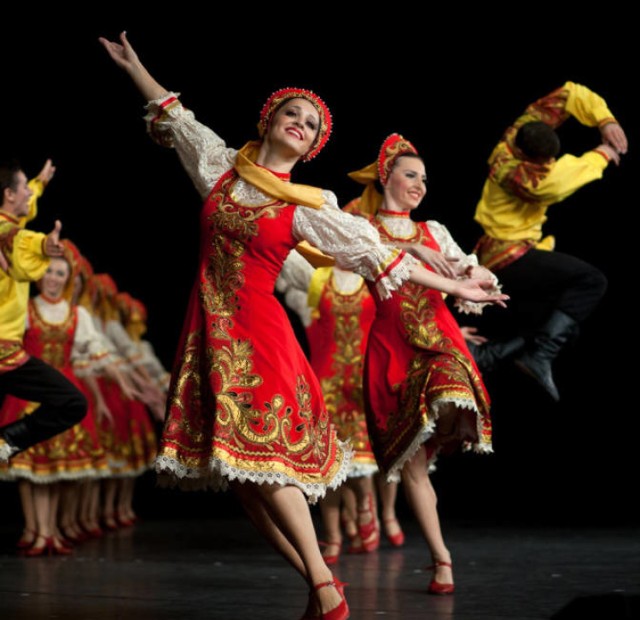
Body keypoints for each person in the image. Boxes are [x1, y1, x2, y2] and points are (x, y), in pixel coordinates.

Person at [99, 32, 506, 620]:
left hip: (258, 334)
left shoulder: (308, 206)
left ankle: (323, 584)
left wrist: (460, 286)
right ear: (268, 120)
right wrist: (135, 66)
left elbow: (381, 257)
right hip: (209, 333)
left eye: (312, 125)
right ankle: (321, 587)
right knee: (241, 480)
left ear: (314, 146)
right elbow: (177, 118)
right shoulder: (222, 169)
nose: (301, 124)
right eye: (293, 113)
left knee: (264, 458)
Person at [346, 133, 500, 595]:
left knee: (450, 383)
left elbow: (468, 269)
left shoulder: (435, 229)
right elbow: (373, 260)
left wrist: (477, 275)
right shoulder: (362, 229)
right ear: (386, 176)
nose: (420, 185)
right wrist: (413, 250)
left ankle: (448, 427)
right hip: (391, 349)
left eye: (424, 179)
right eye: (411, 175)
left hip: (438, 341)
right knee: (412, 467)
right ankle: (442, 559)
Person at [472, 81, 627, 401]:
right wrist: (602, 153)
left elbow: (570, 93)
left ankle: (489, 356)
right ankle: (537, 355)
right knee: (591, 282)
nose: (548, 166)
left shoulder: (520, 131)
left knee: (566, 321)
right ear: (532, 161)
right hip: (507, 255)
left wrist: (605, 119)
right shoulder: (521, 177)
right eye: (544, 163)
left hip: (517, 251)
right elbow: (559, 182)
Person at [276, 249, 406, 563]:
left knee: (363, 461)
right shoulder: (317, 279)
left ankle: (366, 506)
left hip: (362, 380)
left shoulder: (371, 279)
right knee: (327, 466)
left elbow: (401, 314)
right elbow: (280, 257)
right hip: (327, 382)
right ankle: (333, 535)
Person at [0, 159, 88, 464]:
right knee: (71, 403)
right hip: (3, 355)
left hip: (7, 354)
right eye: (24, 188)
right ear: (9, 194)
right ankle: (7, 439)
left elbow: (20, 221)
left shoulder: (9, 220)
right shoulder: (5, 232)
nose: (28, 193)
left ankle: (7, 439)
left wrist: (39, 183)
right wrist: (42, 247)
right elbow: (16, 241)